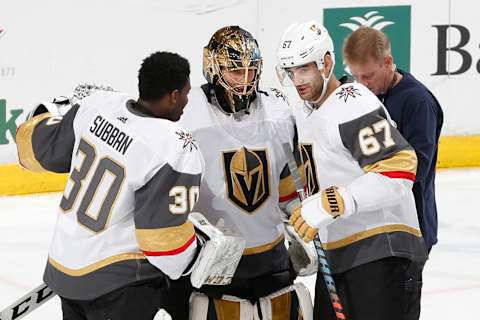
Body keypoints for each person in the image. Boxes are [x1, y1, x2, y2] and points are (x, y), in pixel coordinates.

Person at [15, 51, 245, 320]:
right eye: (184, 93)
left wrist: (45, 114)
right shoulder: (173, 146)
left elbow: (35, 149)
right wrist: (200, 255)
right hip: (117, 287)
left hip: (63, 271)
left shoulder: (98, 105)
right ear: (173, 95)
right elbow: (163, 243)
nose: (186, 100)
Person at [276, 21, 428, 320]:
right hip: (339, 259)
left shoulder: (352, 103)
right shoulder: (308, 115)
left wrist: (333, 202)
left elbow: (399, 167)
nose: (297, 79)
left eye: (304, 68)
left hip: (382, 252)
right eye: (290, 71)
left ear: (327, 62)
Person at [168, 26, 314, 320]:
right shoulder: (186, 114)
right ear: (212, 67)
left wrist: (301, 214)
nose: (246, 81)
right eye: (235, 71)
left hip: (272, 259)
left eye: (251, 71)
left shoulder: (278, 109)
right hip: (211, 264)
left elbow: (287, 176)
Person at [343, 26, 444, 319]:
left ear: (388, 62)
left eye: (368, 76)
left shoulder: (417, 102)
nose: (361, 84)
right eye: (355, 76)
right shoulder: (362, 95)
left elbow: (415, 173)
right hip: (375, 232)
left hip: (409, 233)